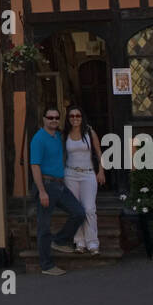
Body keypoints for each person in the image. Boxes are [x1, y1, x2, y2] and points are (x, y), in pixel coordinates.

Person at [30, 106, 86, 275]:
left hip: (60, 185)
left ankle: (60, 240)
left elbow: (75, 133)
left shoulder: (58, 136)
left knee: (79, 212)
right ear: (44, 119)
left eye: (56, 118)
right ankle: (46, 266)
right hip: (46, 185)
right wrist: (41, 191)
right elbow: (35, 166)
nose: (53, 120)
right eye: (50, 118)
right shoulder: (38, 139)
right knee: (44, 227)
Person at [63, 107, 106, 254]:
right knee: (77, 210)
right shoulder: (65, 135)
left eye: (78, 115)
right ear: (68, 118)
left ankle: (93, 242)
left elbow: (99, 152)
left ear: (82, 117)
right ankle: (79, 242)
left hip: (88, 174)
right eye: (72, 116)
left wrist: (101, 170)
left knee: (89, 209)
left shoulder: (89, 132)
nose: (75, 118)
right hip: (70, 175)